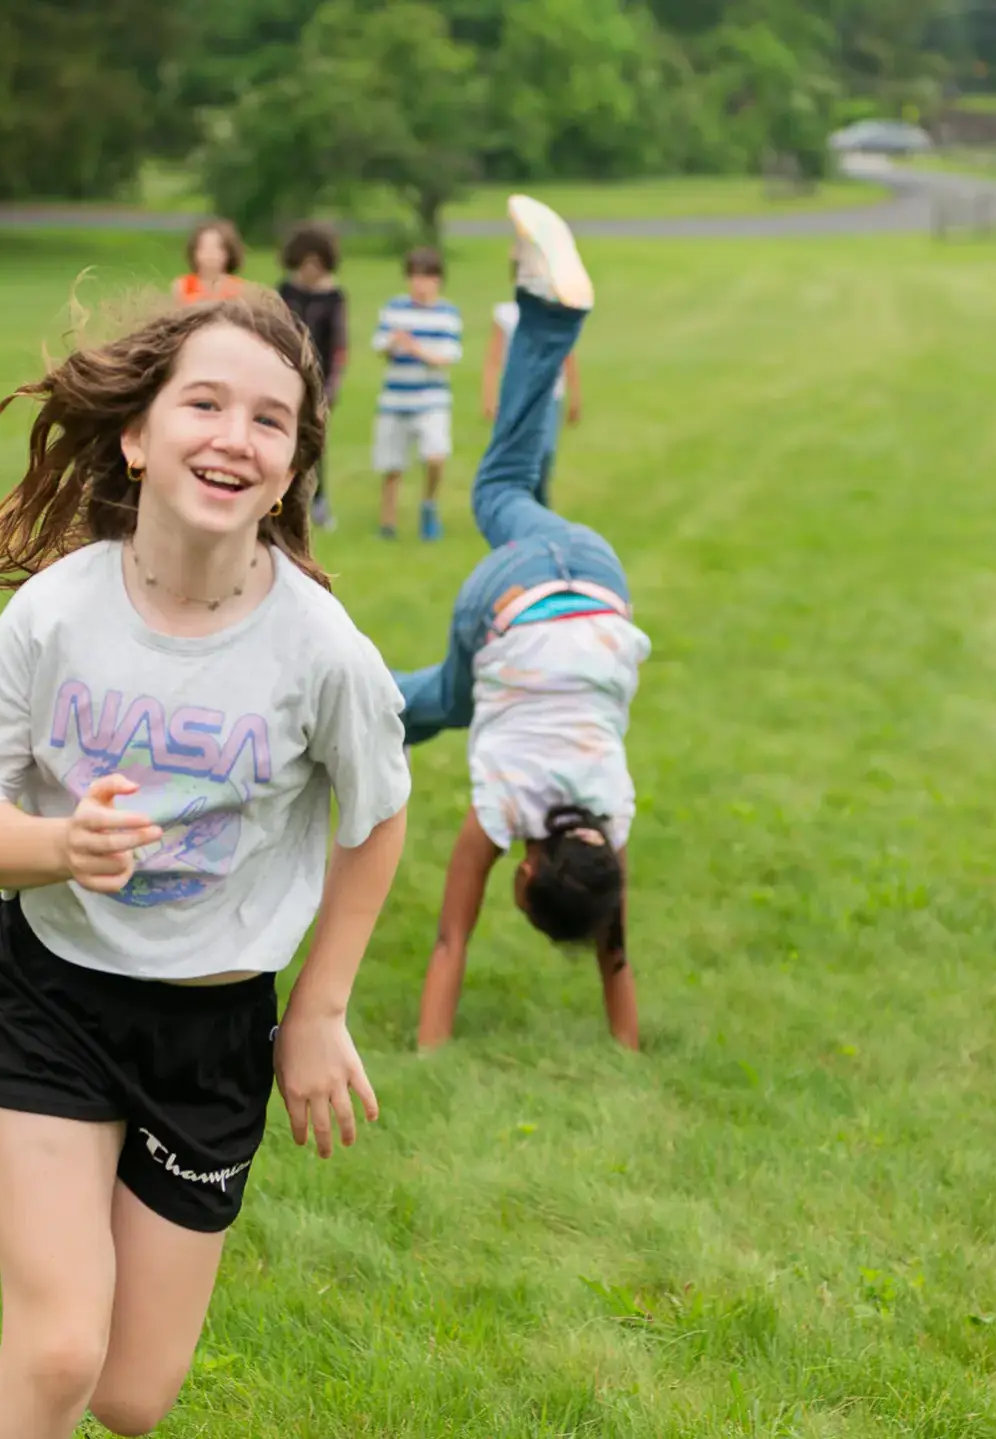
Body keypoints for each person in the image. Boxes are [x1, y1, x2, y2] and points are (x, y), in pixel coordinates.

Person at [0, 286, 410, 1439]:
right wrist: (57, 846)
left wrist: (317, 1010)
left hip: (211, 1036)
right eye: (206, 403)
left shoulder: (323, 652)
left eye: (270, 420)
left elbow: (377, 819)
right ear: (137, 434)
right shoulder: (57, 613)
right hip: (50, 1000)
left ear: (289, 471)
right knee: (61, 1346)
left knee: (129, 1399)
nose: (235, 434)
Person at [396, 197, 643, 1052]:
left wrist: (629, 1048)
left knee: (512, 492)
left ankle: (547, 313)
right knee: (431, 699)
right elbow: (448, 940)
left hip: (599, 581)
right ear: (529, 869)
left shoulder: (614, 823)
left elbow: (617, 958)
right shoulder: (503, 808)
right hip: (516, 610)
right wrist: (427, 1055)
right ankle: (326, 706)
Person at [370, 248, 463, 541]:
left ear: (437, 280)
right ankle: (388, 523)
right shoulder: (394, 308)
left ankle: (429, 505)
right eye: (414, 277)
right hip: (395, 399)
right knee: (391, 465)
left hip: (432, 400)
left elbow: (446, 357)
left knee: (435, 456)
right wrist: (392, 343)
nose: (419, 283)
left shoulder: (447, 314)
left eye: (426, 277)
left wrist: (414, 348)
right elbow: (379, 345)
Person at [484, 264, 582, 507]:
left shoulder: (555, 312)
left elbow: (568, 356)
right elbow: (494, 358)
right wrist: (489, 396)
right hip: (516, 394)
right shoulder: (506, 314)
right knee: (516, 451)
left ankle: (538, 498)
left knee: (545, 450)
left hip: (549, 393)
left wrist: (575, 395)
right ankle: (519, 500)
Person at [277, 223, 348, 531]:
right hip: (283, 374)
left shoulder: (333, 297)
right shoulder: (286, 291)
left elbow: (338, 344)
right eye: (305, 263)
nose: (310, 270)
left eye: (316, 264)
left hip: (318, 380)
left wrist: (333, 384)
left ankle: (319, 500)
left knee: (314, 444)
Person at [173, 217, 248, 305]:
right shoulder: (182, 286)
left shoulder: (238, 288)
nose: (210, 254)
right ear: (194, 251)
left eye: (217, 248)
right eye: (204, 248)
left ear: (229, 252)